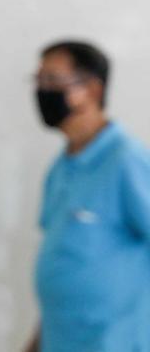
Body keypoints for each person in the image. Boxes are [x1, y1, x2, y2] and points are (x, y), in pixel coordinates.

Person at [25, 40, 150, 351]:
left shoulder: (126, 161)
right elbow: (63, 263)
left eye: (53, 79)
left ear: (92, 89)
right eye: (38, 80)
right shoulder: (61, 168)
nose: (42, 90)